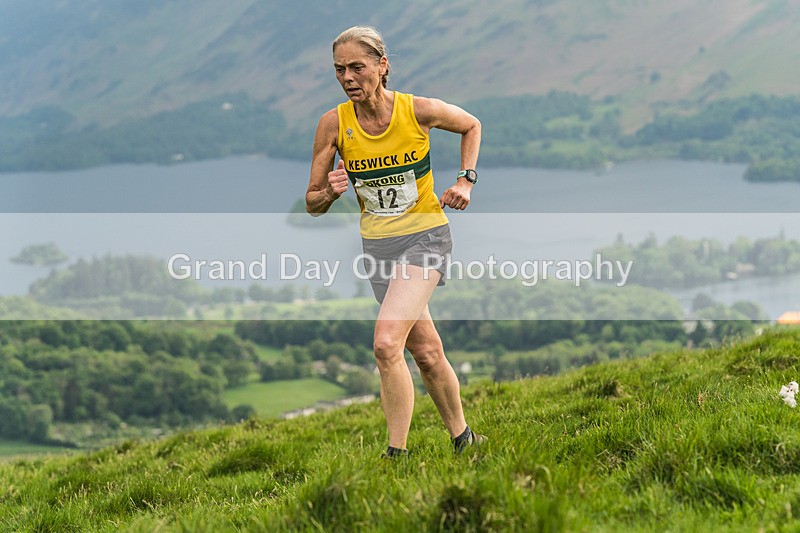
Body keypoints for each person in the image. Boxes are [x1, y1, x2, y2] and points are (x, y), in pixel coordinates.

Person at [305, 26, 485, 457]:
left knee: (387, 343)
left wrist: (466, 179)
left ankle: (395, 457)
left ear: (382, 67)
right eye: (339, 70)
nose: (347, 77)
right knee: (424, 350)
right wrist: (330, 191)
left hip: (426, 236)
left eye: (357, 67)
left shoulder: (417, 110)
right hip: (378, 248)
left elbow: (471, 125)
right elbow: (312, 202)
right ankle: (464, 440)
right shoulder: (333, 124)